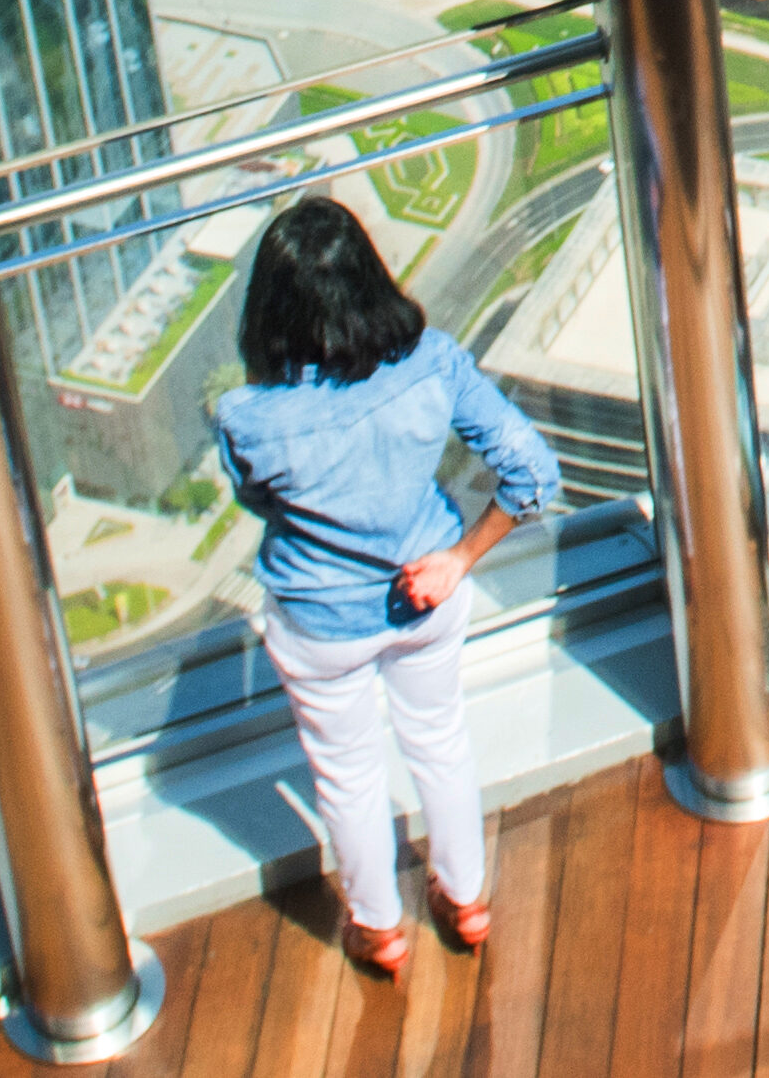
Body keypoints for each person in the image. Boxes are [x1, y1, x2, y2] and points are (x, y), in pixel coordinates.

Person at [212, 195, 559, 977]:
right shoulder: (432, 363)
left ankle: (378, 928)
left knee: (348, 774)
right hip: (428, 595)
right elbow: (534, 474)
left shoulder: (246, 417)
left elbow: (258, 502)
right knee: (439, 740)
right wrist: (460, 557)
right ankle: (466, 900)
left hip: (319, 618)